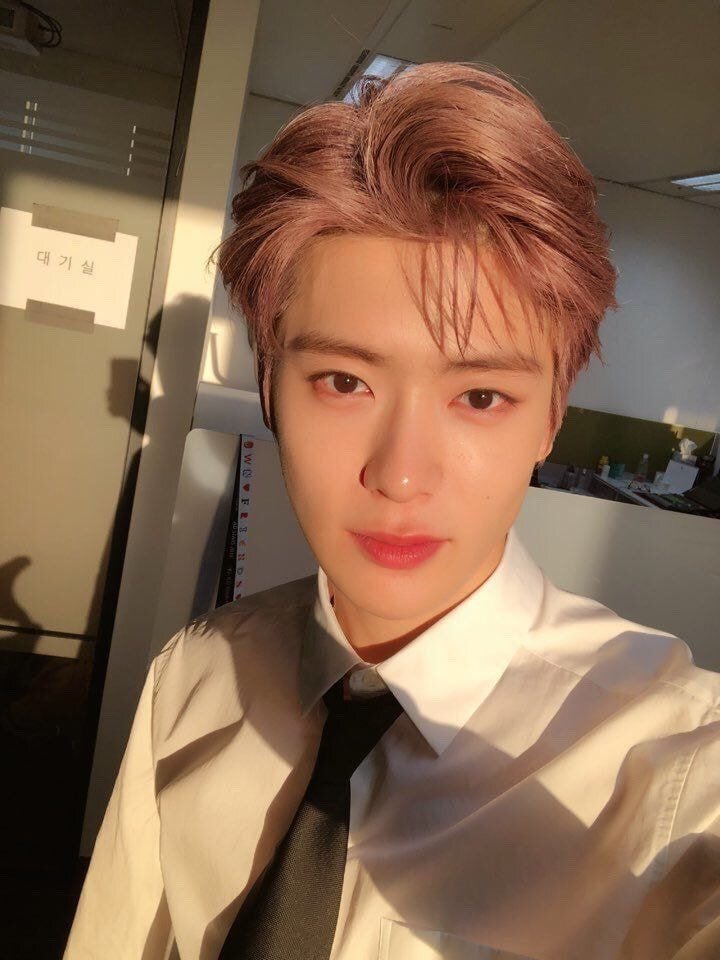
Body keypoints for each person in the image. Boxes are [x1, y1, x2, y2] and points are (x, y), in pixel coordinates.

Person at [64, 63, 720, 960]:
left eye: (481, 397)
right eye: (344, 382)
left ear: (550, 420)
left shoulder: (678, 771)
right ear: (270, 387)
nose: (402, 477)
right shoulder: (195, 679)